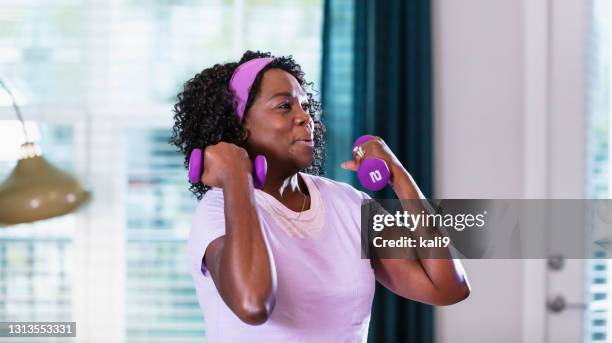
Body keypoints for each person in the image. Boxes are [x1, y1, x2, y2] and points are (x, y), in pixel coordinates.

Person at [169, 50, 470, 342]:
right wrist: (236, 178)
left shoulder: (350, 204)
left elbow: (447, 287)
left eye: (305, 105)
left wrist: (399, 178)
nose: (305, 117)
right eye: (285, 106)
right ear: (238, 127)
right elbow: (252, 304)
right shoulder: (219, 209)